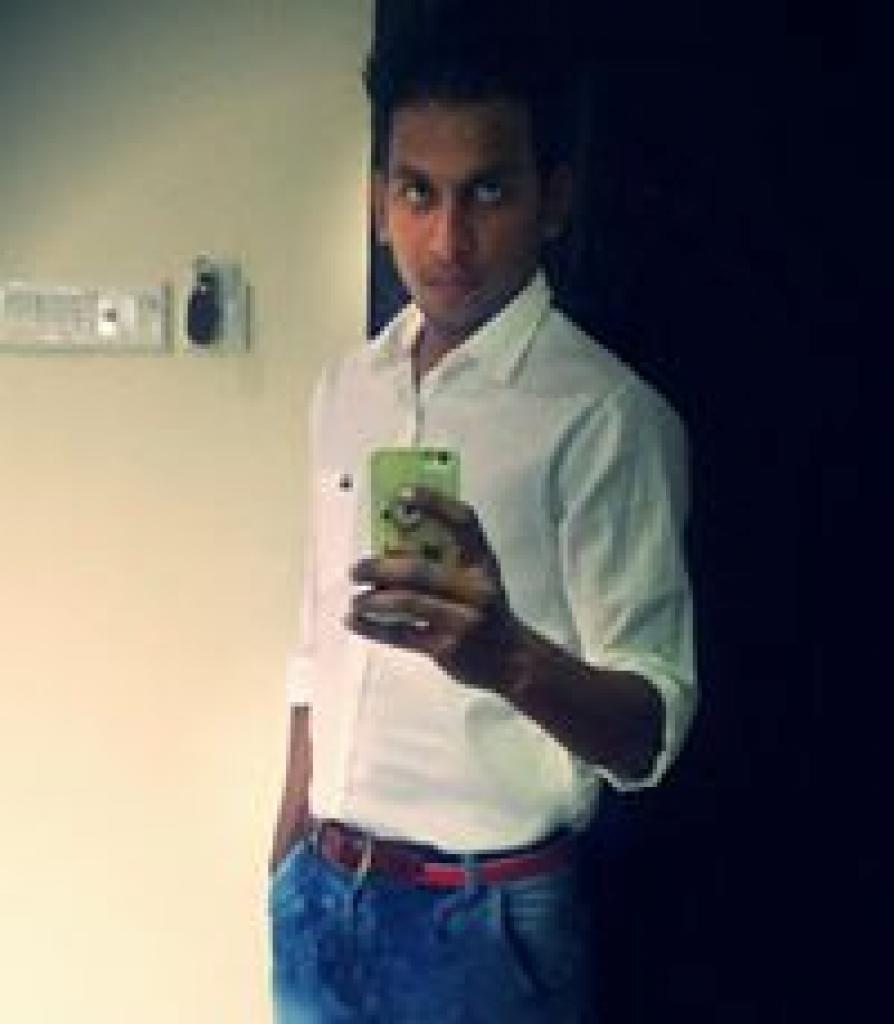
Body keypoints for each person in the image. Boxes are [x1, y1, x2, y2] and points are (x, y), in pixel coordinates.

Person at [267, 11, 696, 1023]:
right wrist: (284, 852)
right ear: (379, 200)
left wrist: (506, 655)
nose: (448, 240)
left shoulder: (607, 416)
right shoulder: (346, 388)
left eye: (488, 191)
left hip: (486, 926)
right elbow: (314, 643)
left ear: (554, 200)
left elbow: (649, 733)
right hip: (321, 893)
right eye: (419, 191)